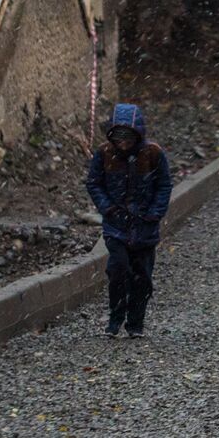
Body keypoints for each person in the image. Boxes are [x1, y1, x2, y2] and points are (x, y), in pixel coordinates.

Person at [85, 103, 173, 338]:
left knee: (143, 277)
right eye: (119, 138)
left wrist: (155, 212)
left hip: (145, 227)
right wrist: (109, 209)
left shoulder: (153, 154)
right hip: (117, 226)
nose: (123, 144)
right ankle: (115, 319)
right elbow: (93, 183)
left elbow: (164, 184)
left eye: (128, 138)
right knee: (118, 271)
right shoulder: (104, 154)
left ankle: (135, 323)